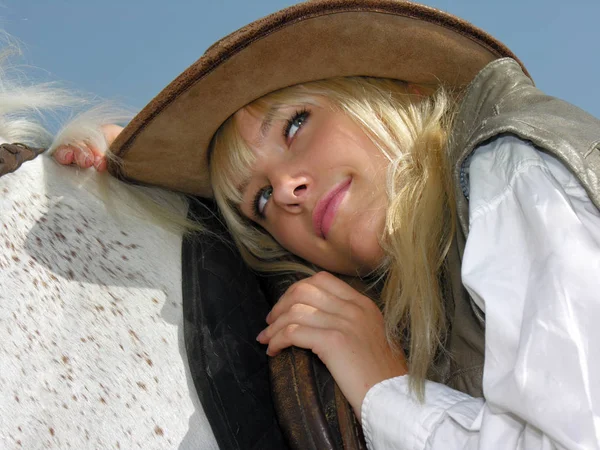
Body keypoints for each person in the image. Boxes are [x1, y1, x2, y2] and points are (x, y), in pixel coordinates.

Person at [55, 1, 600, 448]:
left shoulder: (510, 172)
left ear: (394, 88)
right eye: (261, 197)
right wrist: (128, 182)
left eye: (295, 124)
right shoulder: (412, 282)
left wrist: (384, 389)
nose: (288, 189)